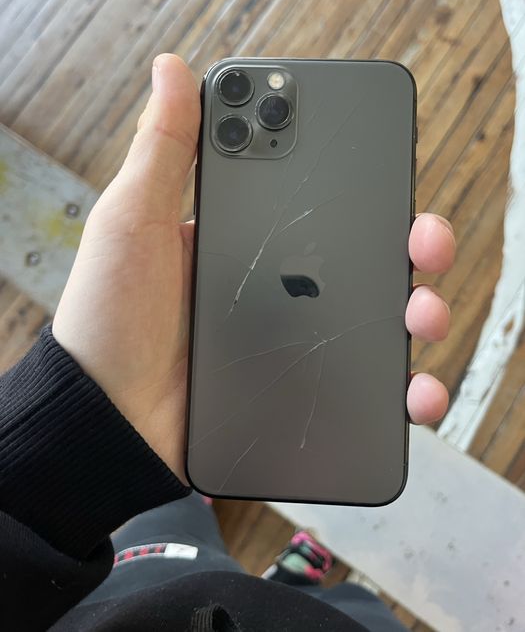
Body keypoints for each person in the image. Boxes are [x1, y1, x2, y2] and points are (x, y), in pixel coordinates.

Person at [0, 54, 455, 631]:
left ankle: (277, 565)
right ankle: (292, 576)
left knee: (175, 521)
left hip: (128, 593)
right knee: (343, 606)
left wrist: (83, 422)